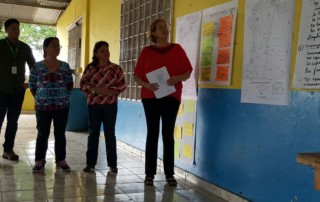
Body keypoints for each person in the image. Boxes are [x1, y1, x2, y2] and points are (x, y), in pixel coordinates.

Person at [134, 19, 193, 186]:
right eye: (160, 28)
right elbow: (137, 75)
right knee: (152, 134)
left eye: (165, 27)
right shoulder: (146, 51)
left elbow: (188, 72)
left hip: (171, 97)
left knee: (168, 135)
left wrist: (177, 78)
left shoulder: (177, 49)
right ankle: (149, 174)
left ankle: (169, 174)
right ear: (153, 33)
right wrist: (147, 85)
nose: (164, 30)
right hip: (150, 97)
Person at [29, 37, 74, 173]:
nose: (57, 48)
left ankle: (61, 160)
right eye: (53, 45)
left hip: (62, 106)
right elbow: (32, 85)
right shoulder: (37, 66)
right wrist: (42, 98)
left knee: (60, 133)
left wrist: (62, 97)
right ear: (45, 48)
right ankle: (39, 161)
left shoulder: (65, 66)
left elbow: (69, 85)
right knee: (42, 133)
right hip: (43, 107)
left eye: (58, 46)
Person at [80, 41, 126, 173]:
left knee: (110, 134)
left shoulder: (116, 69)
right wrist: (95, 90)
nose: (106, 53)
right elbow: (83, 85)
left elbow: (122, 85)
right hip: (93, 105)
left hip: (110, 106)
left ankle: (113, 164)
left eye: (107, 50)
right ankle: (90, 164)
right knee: (93, 133)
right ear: (96, 54)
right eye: (102, 51)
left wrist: (110, 91)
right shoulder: (90, 68)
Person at [0, 18, 36, 161]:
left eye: (18, 28)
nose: (16, 31)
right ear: (6, 30)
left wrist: (30, 83)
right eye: (13, 28)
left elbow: (34, 67)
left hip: (18, 91)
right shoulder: (1, 45)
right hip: (1, 90)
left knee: (13, 122)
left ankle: (8, 149)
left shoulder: (25, 47)